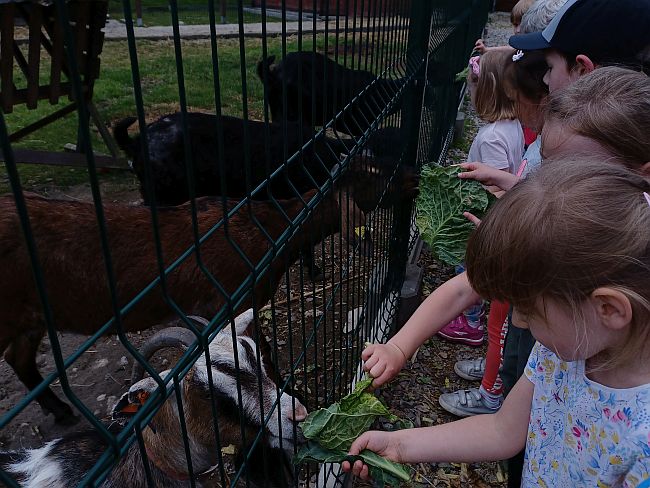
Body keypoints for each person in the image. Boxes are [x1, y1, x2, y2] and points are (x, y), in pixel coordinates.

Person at [345, 157, 650, 487]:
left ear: (609, 309)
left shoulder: (642, 441)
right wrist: (399, 445)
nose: (519, 322)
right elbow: (503, 428)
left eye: (530, 311)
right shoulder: (561, 356)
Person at [436, 47, 525, 348]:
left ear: (486, 92)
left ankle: (470, 323)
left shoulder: (491, 137)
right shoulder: (513, 125)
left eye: (473, 88)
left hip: (482, 218)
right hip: (496, 214)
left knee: (469, 267)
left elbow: (496, 185)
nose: (471, 95)